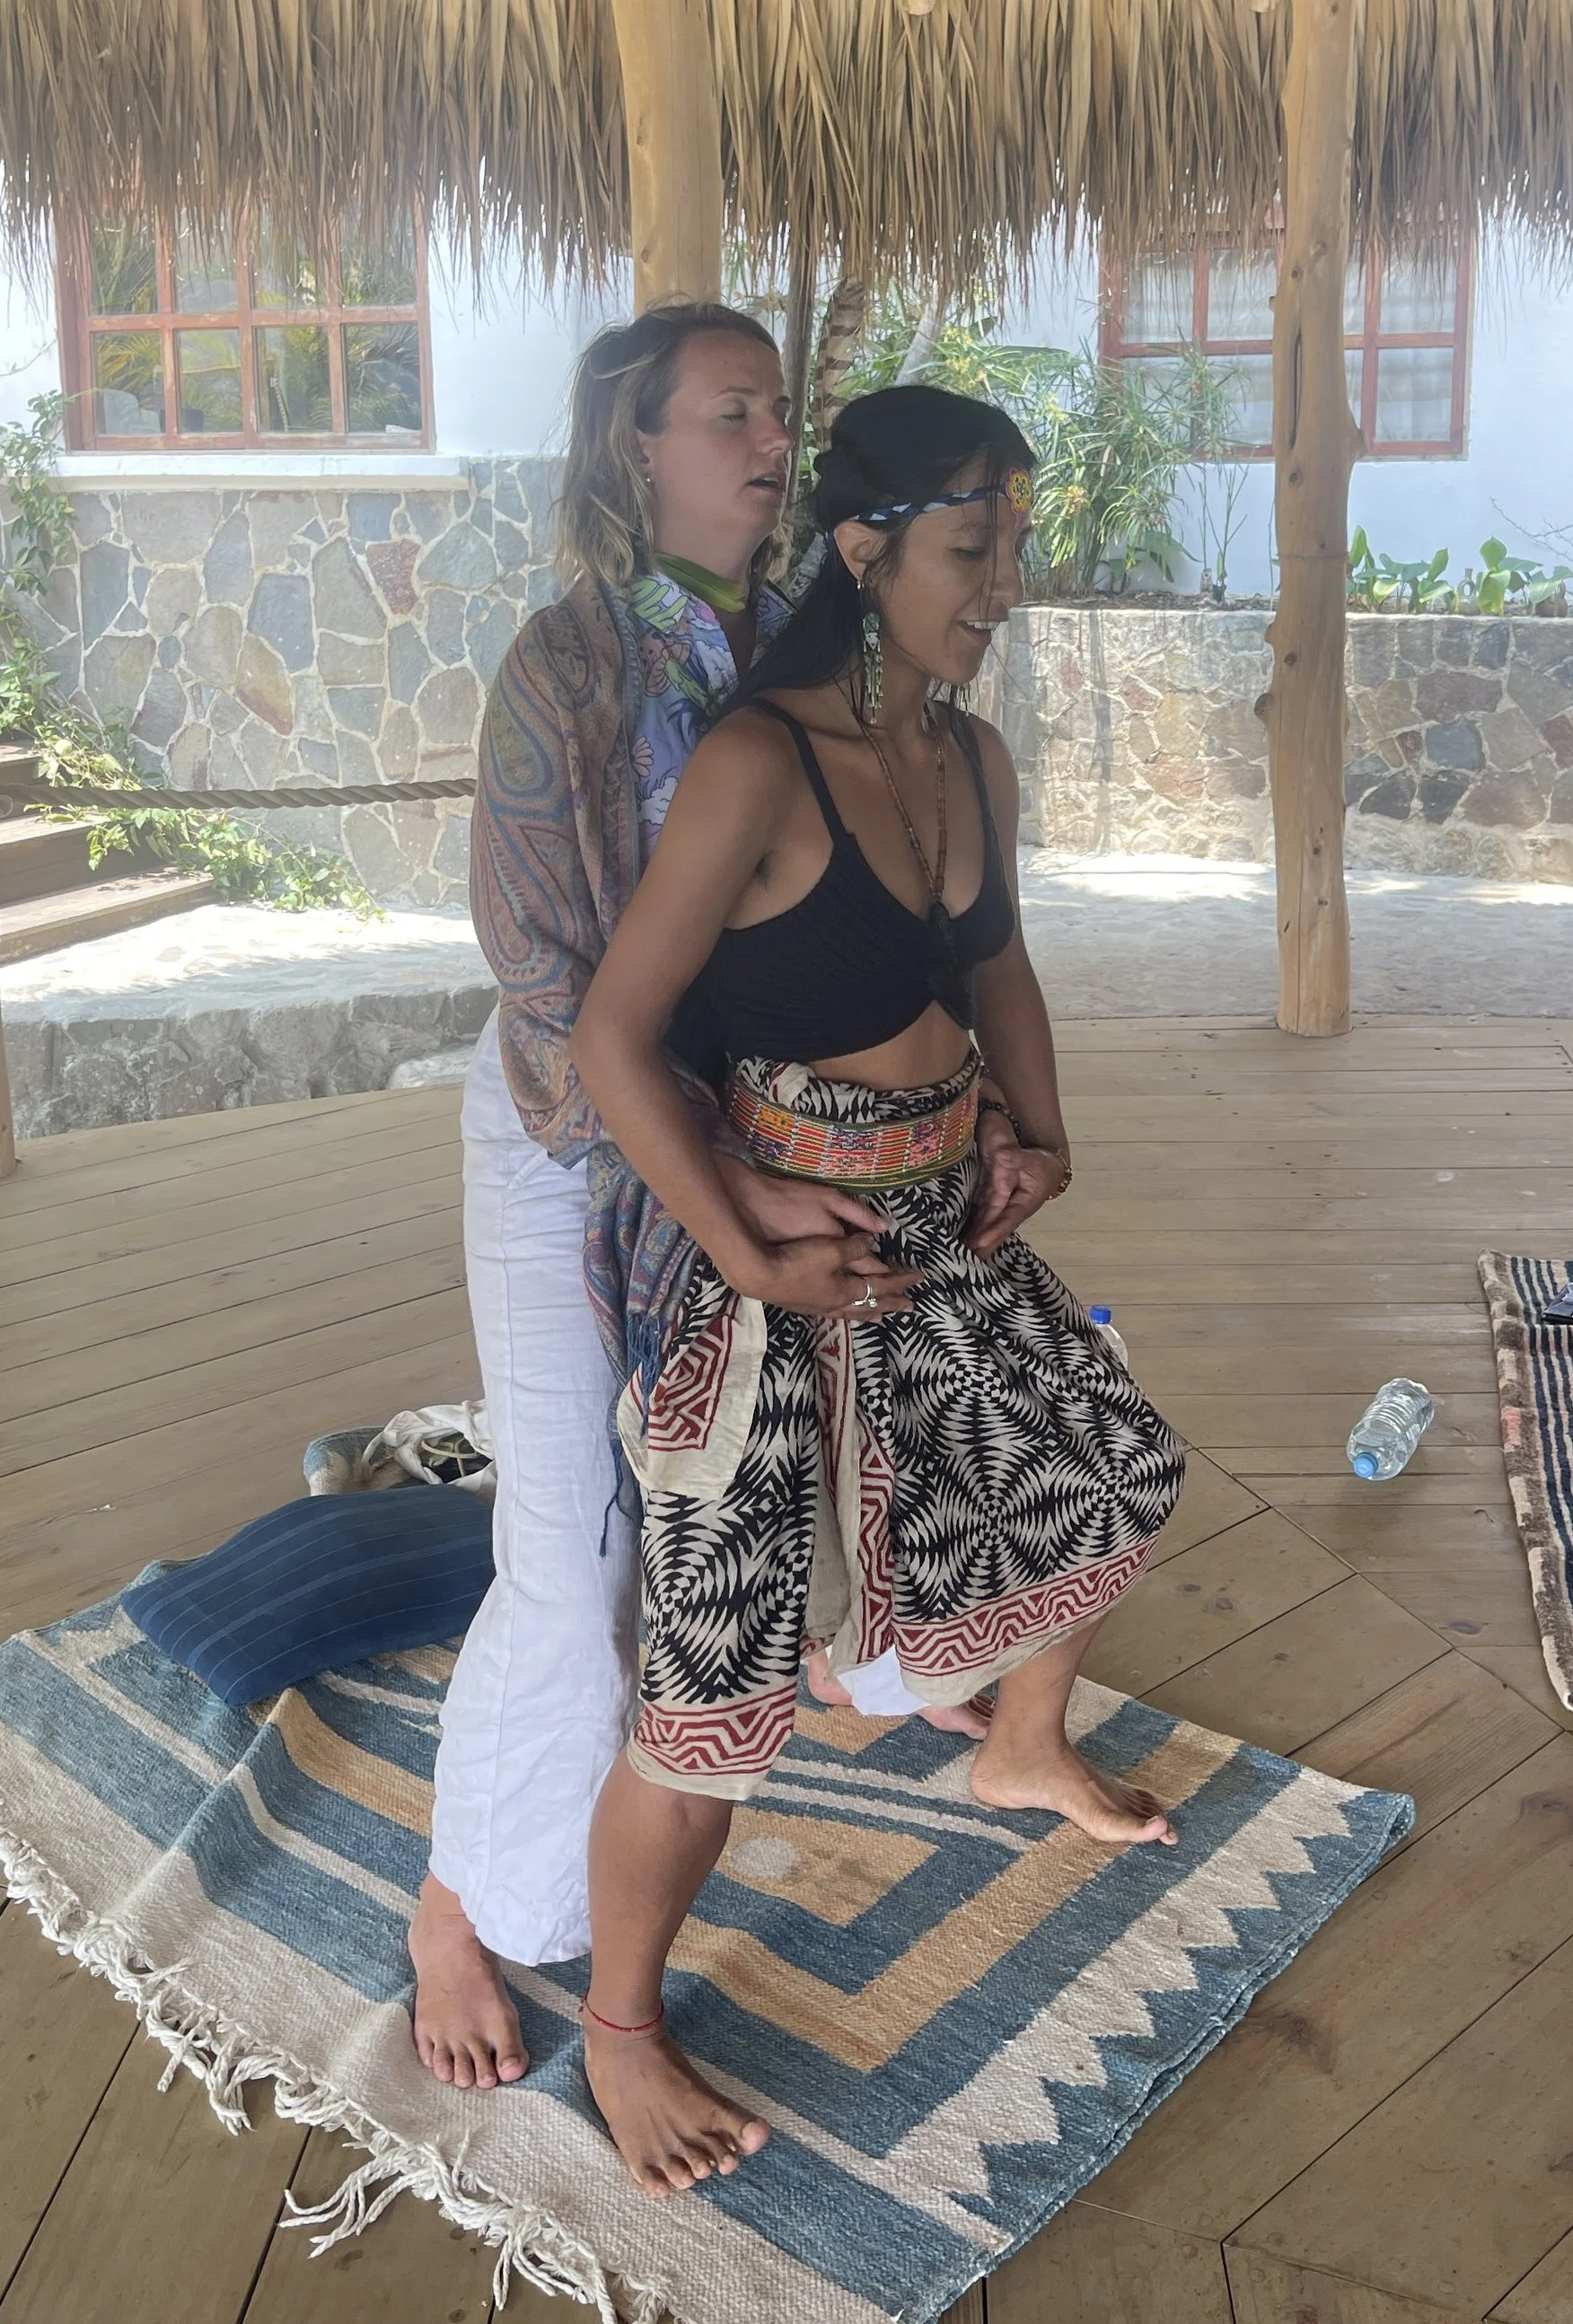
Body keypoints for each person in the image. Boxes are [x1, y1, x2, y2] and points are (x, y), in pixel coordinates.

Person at [567, 384, 1188, 2197]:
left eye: (1011, 541)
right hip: (790, 1270)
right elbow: (612, 1036)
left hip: (946, 1226)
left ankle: (1018, 1744)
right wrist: (743, 1241)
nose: (1001, 578)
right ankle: (618, 2021)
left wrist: (1042, 1128)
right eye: (968, 545)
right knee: (710, 1699)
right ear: (864, 548)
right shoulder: (760, 764)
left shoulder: (968, 757)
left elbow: (999, 965)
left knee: (1102, 1467)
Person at [407, 307, 987, 2094]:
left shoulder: (803, 650)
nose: (766, 438)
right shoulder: (566, 669)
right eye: (726, 410)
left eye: (776, 412)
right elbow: (542, 985)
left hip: (751, 1139)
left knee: (786, 1446)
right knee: (570, 1540)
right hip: (570, 1141)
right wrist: (719, 1174)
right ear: (629, 449)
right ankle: (461, 1904)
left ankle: (852, 1655)